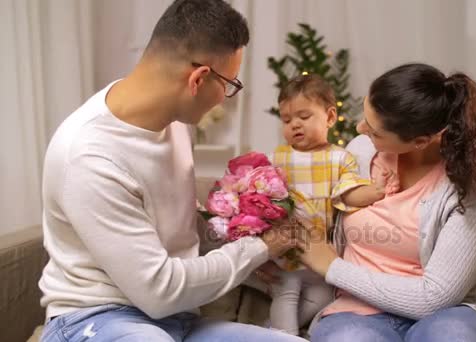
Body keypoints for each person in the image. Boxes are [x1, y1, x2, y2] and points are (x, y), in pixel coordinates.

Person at [38, 1, 303, 341]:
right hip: (94, 318)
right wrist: (259, 248)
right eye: (230, 85)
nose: (226, 97)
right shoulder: (89, 156)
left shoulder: (177, 124)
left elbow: (176, 228)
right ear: (198, 79)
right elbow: (160, 292)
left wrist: (253, 247)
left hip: (175, 319)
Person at [295, 63, 476, 342]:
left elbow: (435, 298)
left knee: (452, 337)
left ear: (420, 141)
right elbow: (315, 210)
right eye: (365, 117)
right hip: (356, 313)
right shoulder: (359, 152)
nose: (359, 129)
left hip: (449, 313)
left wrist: (332, 267)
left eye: (375, 132)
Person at [257, 74, 385, 335]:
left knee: (324, 297)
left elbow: (349, 193)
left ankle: (269, 332)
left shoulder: (340, 158)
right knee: (287, 291)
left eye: (304, 117)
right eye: (287, 120)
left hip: (322, 252)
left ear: (328, 117)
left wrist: (375, 192)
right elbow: (260, 201)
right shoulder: (276, 158)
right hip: (287, 251)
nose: (295, 125)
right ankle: (286, 336)